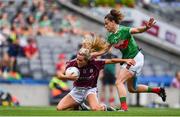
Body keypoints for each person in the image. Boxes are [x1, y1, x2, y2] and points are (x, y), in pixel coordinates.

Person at [90, 9, 166, 111]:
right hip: (129, 60)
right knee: (132, 89)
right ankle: (158, 90)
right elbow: (104, 50)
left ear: (113, 22)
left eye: (107, 23)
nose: (105, 26)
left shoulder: (124, 30)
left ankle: (124, 108)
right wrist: (93, 54)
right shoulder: (110, 37)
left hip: (135, 58)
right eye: (104, 24)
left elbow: (137, 30)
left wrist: (146, 27)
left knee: (118, 82)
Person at [56, 48, 135, 111]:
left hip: (90, 90)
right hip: (77, 90)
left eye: (80, 60)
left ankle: (105, 107)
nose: (78, 61)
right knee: (59, 108)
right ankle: (79, 106)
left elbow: (111, 60)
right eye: (77, 59)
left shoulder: (95, 63)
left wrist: (125, 60)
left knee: (95, 109)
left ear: (87, 60)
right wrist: (67, 77)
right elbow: (59, 74)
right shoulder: (72, 63)